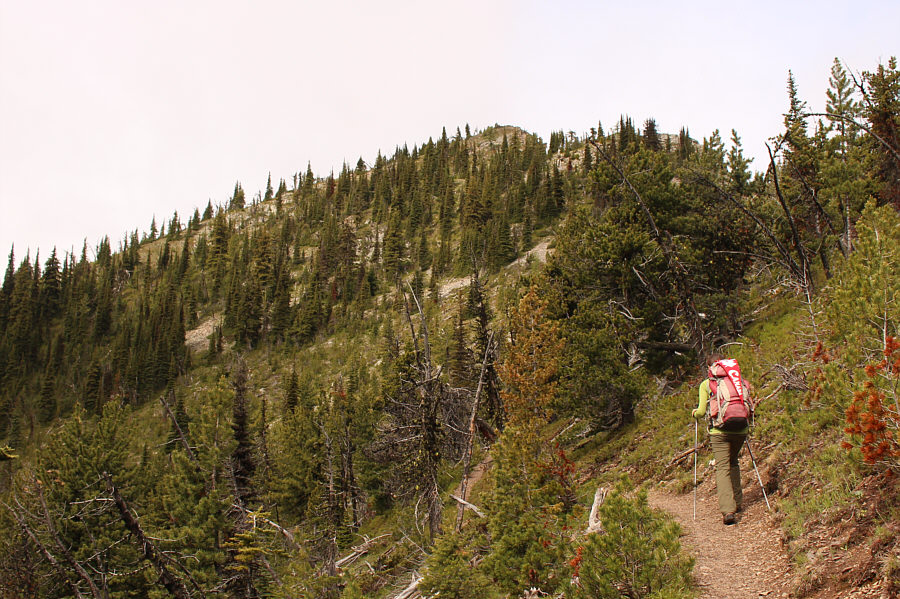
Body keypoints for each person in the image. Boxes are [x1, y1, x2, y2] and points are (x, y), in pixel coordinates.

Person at [692, 353, 750, 525]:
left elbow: (701, 412)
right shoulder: (739, 381)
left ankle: (728, 510)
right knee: (733, 462)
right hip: (741, 429)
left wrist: (695, 413)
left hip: (719, 431)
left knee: (722, 466)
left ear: (710, 367)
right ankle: (737, 502)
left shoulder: (706, 384)